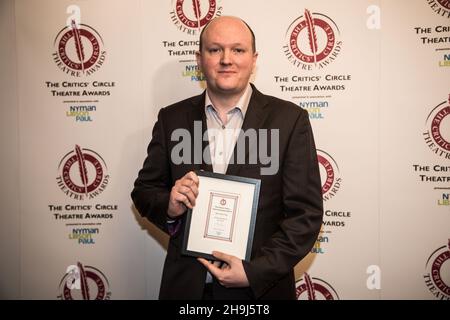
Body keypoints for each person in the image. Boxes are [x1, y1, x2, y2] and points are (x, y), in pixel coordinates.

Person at [131, 16, 323, 300]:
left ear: (253, 59)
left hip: (259, 292)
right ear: (199, 58)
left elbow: (305, 215)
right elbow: (144, 192)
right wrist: (170, 206)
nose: (226, 59)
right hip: (188, 290)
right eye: (214, 50)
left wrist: (255, 271)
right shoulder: (172, 119)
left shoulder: (290, 120)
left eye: (238, 50)